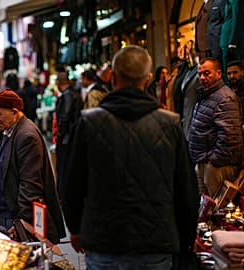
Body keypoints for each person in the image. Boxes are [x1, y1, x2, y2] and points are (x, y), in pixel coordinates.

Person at [61, 45, 199, 269]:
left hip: (104, 242)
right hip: (156, 244)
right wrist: (185, 241)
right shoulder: (170, 123)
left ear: (113, 78)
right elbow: (186, 192)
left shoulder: (88, 122)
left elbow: (71, 186)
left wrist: (75, 228)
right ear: (148, 80)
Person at [0, 89, 66, 244]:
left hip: (16, 218)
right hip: (6, 215)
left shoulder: (26, 137)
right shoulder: (10, 132)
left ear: (14, 112)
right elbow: (2, 171)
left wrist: (21, 224)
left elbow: (30, 187)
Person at [189, 57, 243, 196]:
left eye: (207, 73)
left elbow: (229, 136)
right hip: (203, 162)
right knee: (206, 212)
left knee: (218, 211)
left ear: (218, 74)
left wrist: (213, 163)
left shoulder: (225, 98)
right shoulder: (206, 95)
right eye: (200, 74)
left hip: (216, 167)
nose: (202, 77)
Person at [55, 71, 80, 192]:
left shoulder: (67, 95)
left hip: (67, 138)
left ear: (58, 83)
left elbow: (65, 117)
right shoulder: (69, 94)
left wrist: (60, 133)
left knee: (64, 167)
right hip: (68, 137)